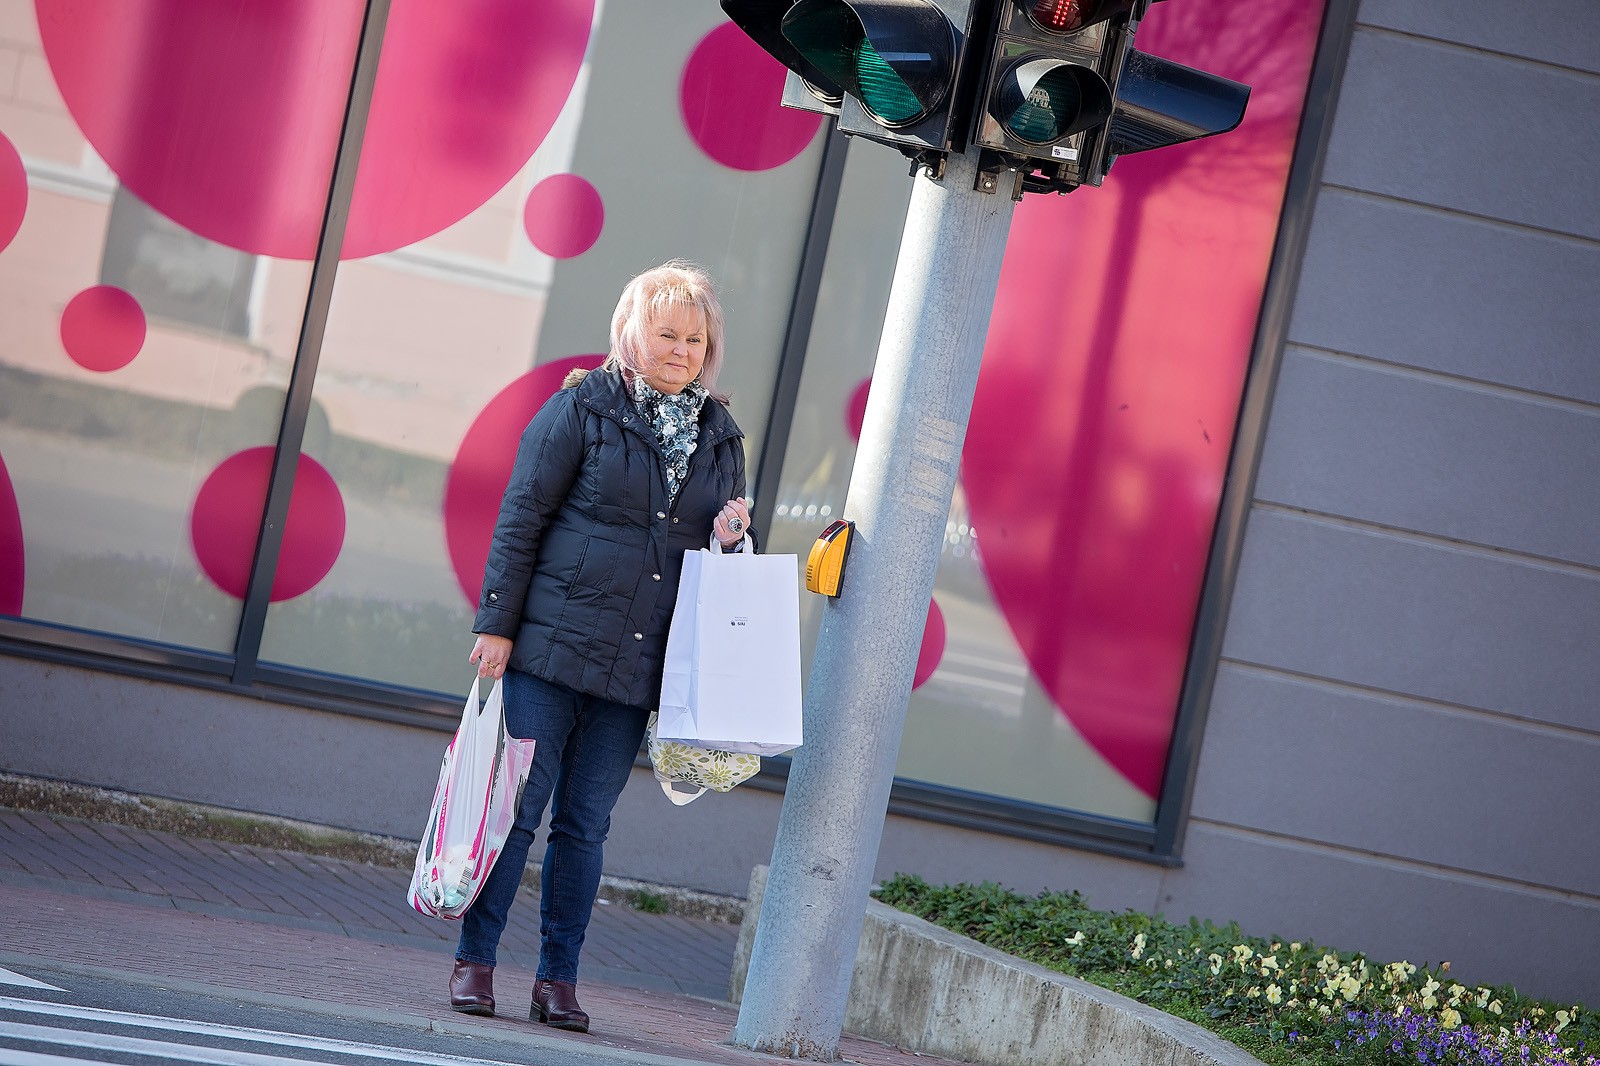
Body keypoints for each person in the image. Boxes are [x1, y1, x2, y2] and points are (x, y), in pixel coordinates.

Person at [446, 261, 753, 1033]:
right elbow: (522, 516)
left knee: (585, 826)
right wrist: (496, 624)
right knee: (517, 813)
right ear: (632, 332)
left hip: (633, 670)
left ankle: (558, 981)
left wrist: (732, 540)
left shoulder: (720, 436)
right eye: (666, 333)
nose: (680, 350)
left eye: (694, 338)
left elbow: (724, 559)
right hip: (550, 652)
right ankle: (475, 962)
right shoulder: (581, 407)